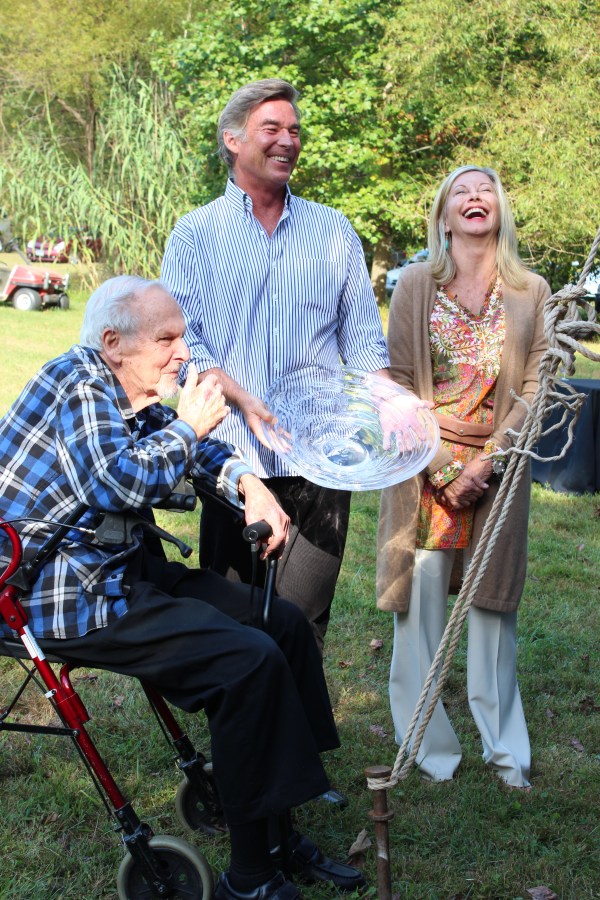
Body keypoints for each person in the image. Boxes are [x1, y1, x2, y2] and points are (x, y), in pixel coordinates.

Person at [0, 276, 366, 900]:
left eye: (182, 336)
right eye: (166, 339)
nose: (181, 353)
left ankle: (280, 830)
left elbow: (200, 455)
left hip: (118, 567)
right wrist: (190, 429)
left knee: (280, 623)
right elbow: (119, 483)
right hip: (60, 591)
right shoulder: (79, 382)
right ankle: (250, 879)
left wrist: (249, 482)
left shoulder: (130, 387)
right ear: (113, 342)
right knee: (246, 664)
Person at [161, 78, 390, 656]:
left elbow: (363, 341)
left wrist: (393, 405)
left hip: (320, 455)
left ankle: (295, 746)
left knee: (304, 618)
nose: (288, 140)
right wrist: (237, 394)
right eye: (272, 129)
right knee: (232, 619)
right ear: (232, 140)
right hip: (232, 459)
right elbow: (184, 347)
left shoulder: (333, 231)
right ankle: (240, 745)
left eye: (294, 130)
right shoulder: (194, 235)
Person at [377, 166, 551, 788]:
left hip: (497, 469)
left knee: (491, 613)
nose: (474, 198)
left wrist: (487, 462)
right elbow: (396, 383)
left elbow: (537, 385)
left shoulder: (532, 290)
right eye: (460, 191)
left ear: (500, 208)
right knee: (420, 612)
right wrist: (443, 467)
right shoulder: (415, 284)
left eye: (486, 190)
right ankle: (430, 752)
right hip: (425, 470)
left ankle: (508, 756)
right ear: (443, 214)